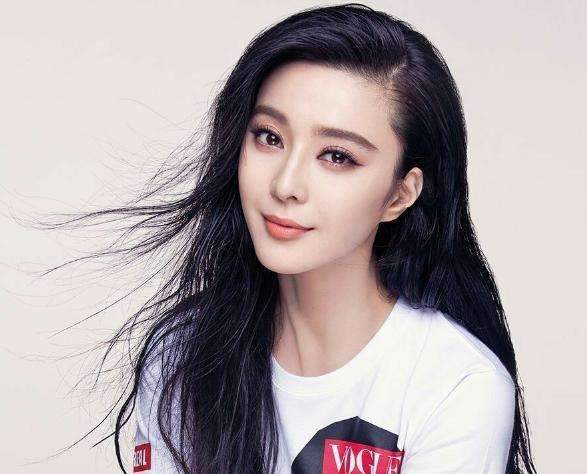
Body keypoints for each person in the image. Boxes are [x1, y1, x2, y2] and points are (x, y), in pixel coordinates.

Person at [47, 3, 537, 473]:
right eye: (270, 137)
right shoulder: (183, 354)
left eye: (337, 156)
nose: (285, 185)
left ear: (398, 195)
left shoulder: (455, 384)